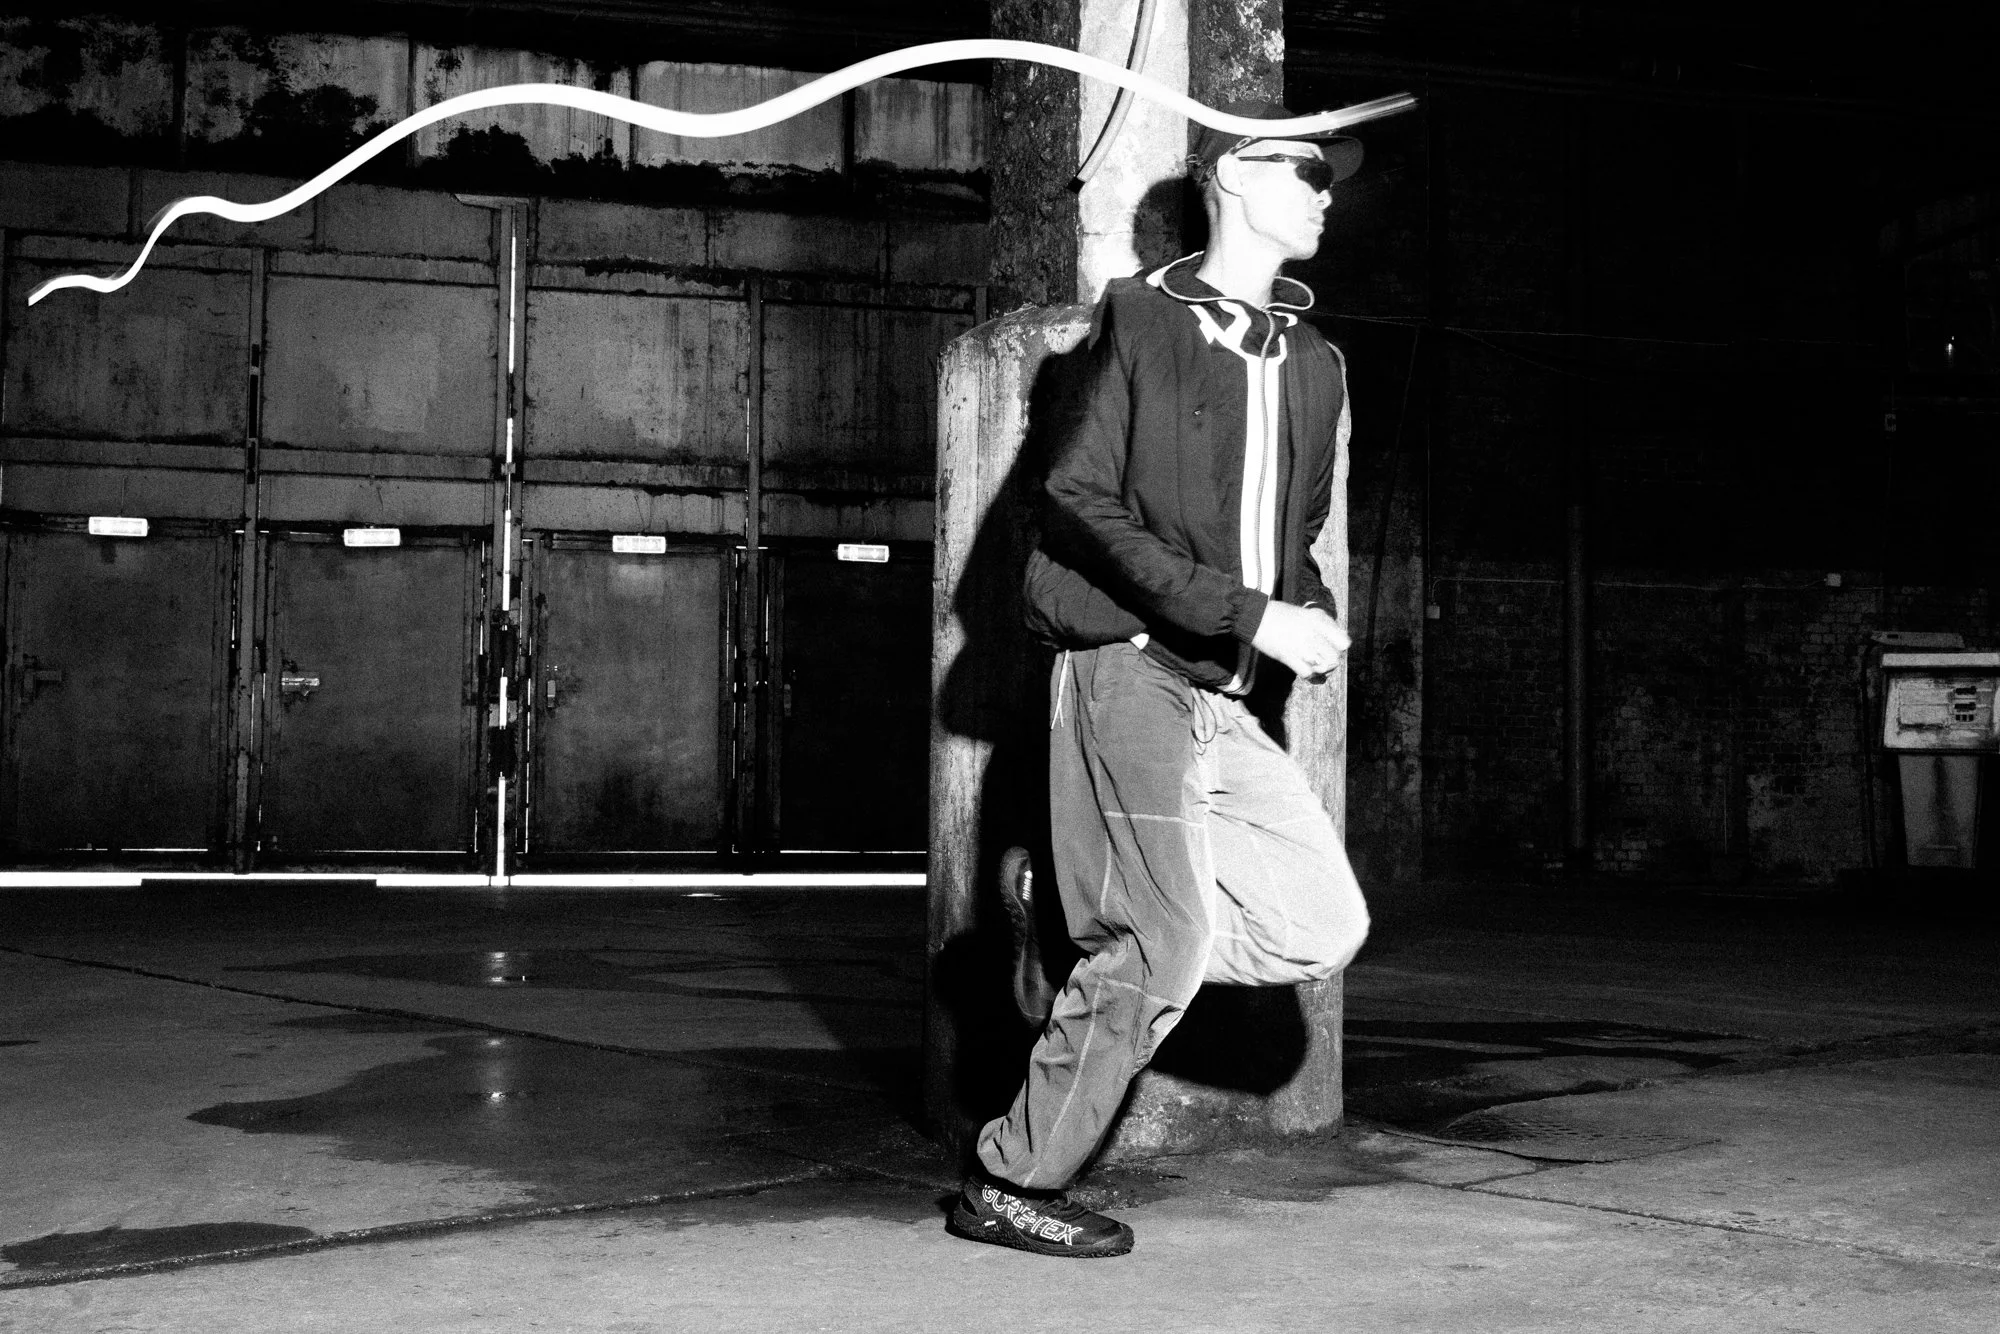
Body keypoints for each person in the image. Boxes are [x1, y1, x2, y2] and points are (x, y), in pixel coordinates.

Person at [946, 102, 1373, 1259]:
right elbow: (1075, 502)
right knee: (1161, 943)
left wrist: (1310, 616)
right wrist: (1250, 614)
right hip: (1127, 667)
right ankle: (1010, 1178)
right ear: (1233, 181)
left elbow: (1297, 542)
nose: (1325, 193)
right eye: (1302, 174)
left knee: (1317, 922)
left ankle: (1067, 919)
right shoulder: (1140, 318)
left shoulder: (1318, 364)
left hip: (1223, 695)